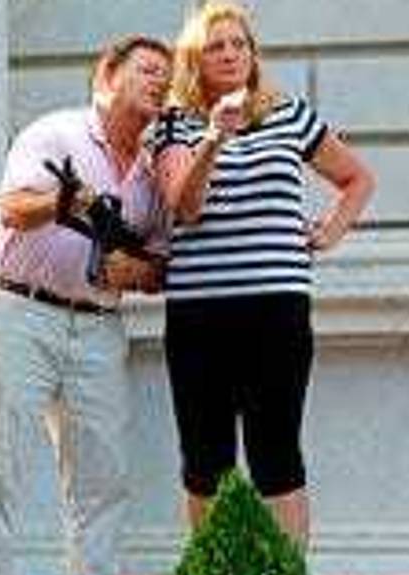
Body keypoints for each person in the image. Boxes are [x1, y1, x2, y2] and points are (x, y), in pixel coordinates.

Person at [0, 35, 172, 575]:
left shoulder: (154, 172)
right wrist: (66, 201)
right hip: (22, 311)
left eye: (166, 76)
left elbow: (159, 260)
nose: (159, 82)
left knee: (102, 474)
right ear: (107, 76)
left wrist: (137, 273)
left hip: (101, 325)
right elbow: (10, 206)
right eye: (147, 70)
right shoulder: (56, 134)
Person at [150, 2, 375, 547]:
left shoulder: (289, 114)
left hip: (277, 306)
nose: (229, 54)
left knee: (277, 449)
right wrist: (212, 140)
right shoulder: (175, 126)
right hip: (200, 311)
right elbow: (186, 207)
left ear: (253, 55)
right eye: (215, 47)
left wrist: (330, 231)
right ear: (194, 61)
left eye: (238, 44)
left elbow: (357, 178)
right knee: (206, 457)